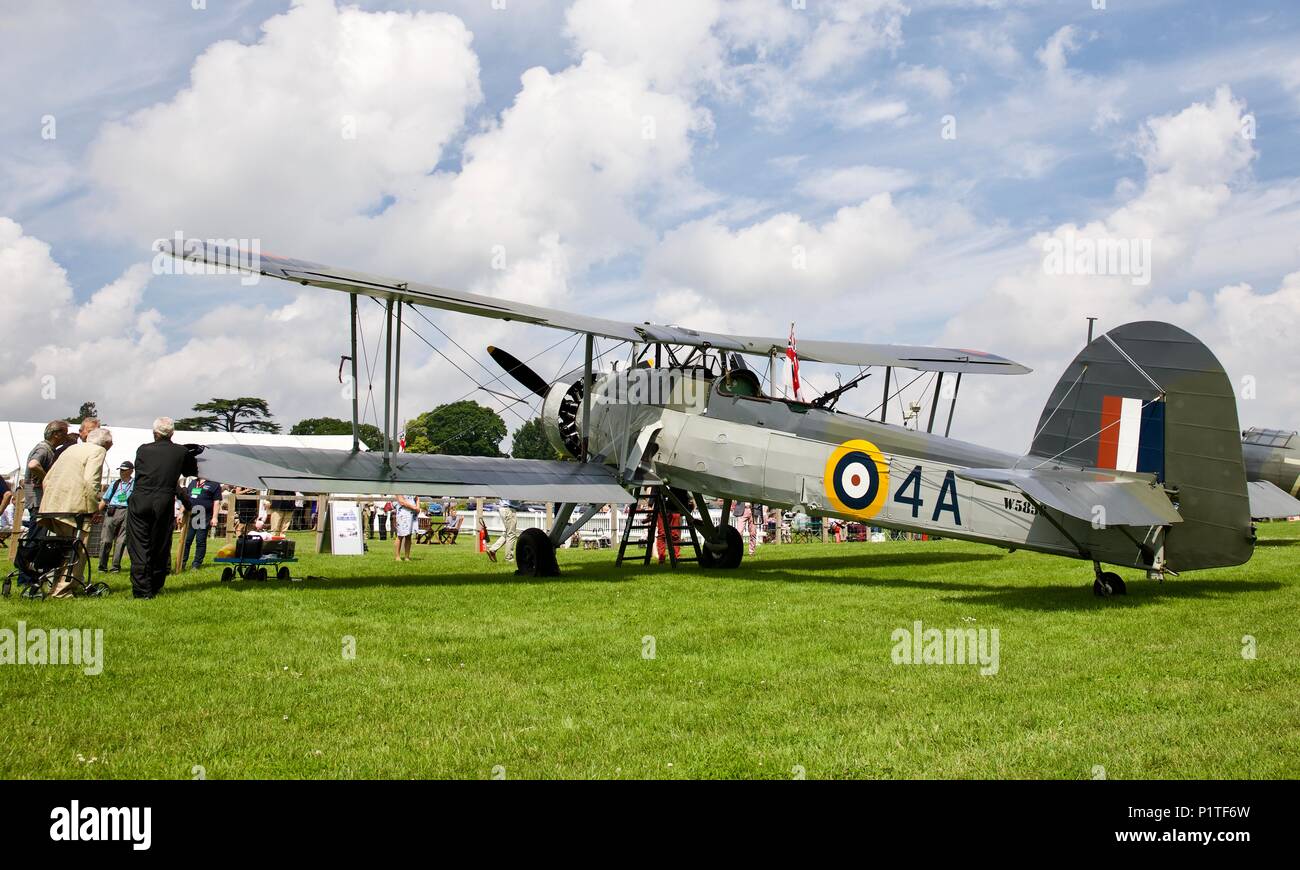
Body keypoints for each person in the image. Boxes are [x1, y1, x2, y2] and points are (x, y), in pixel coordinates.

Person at [127, 417, 198, 599]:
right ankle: (155, 584)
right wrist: (188, 452)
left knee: (139, 545)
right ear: (172, 433)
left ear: (154, 433)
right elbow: (191, 470)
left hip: (141, 498)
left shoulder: (143, 449)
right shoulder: (180, 452)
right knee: (160, 544)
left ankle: (142, 590)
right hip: (164, 500)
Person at [37, 428, 113, 598]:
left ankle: (53, 585)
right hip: (75, 508)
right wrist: (94, 507)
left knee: (61, 548)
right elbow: (91, 480)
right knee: (76, 549)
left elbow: (48, 478)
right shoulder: (98, 451)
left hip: (53, 504)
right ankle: (62, 591)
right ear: (106, 443)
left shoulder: (71, 448)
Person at [24, 419, 71, 524]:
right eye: (65, 433)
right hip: (38, 499)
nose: (67, 437)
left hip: (37, 498)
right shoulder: (43, 449)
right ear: (56, 434)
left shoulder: (48, 449)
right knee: (36, 536)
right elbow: (33, 465)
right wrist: (48, 480)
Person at [97, 461, 134, 573]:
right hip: (112, 510)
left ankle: (115, 567)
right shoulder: (115, 483)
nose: (121, 472)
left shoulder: (136, 483)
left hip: (127, 511)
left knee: (121, 541)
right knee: (106, 540)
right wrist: (97, 512)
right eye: (120, 470)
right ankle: (102, 567)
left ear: (131, 471)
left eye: (124, 470)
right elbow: (105, 499)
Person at [181, 475, 223, 569]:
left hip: (204, 516)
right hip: (190, 515)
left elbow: (217, 502)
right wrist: (181, 513)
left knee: (200, 541)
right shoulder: (192, 483)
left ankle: (196, 564)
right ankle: (182, 563)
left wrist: (215, 517)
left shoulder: (214, 484)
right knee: (187, 541)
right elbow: (186, 499)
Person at [486, 498, 519, 563]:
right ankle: (509, 558)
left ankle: (493, 549)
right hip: (509, 509)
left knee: (509, 533)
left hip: (505, 508)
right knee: (511, 534)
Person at [393, 494, 419, 561]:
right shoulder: (398, 488)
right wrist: (414, 507)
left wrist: (418, 508)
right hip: (403, 514)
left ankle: (407, 557)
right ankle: (397, 557)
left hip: (412, 514)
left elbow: (417, 498)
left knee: (409, 536)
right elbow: (402, 502)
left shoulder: (412, 487)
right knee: (400, 535)